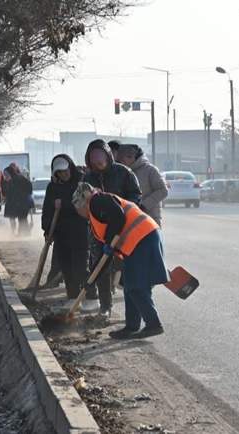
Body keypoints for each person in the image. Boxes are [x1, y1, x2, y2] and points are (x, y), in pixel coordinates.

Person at [72, 182, 169, 339]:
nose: (79, 213)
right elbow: (104, 258)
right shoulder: (97, 213)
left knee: (136, 287)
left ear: (82, 203)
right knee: (130, 286)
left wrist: (109, 242)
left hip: (142, 238)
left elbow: (118, 217)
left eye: (78, 209)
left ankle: (153, 324)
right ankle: (132, 326)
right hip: (142, 239)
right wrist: (91, 280)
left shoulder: (97, 201)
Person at [83, 139, 141, 317]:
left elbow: (136, 194)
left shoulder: (123, 172)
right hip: (99, 229)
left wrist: (123, 210)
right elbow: (82, 200)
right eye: (93, 158)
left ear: (107, 155)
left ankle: (135, 310)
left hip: (124, 227)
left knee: (128, 268)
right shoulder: (88, 178)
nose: (97, 161)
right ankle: (105, 307)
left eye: (100, 156)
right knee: (101, 267)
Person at [42, 155, 88, 304]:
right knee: (66, 267)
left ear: (70, 167)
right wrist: (47, 229)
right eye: (59, 172)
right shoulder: (53, 186)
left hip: (81, 230)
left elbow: (84, 204)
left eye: (65, 170)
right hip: (61, 232)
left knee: (80, 267)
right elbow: (47, 209)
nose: (64, 174)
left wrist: (64, 204)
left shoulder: (82, 181)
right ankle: (72, 296)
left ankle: (90, 296)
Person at [118, 144, 168, 225]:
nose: (122, 161)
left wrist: (144, 206)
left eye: (124, 158)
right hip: (129, 219)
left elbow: (163, 191)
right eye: (120, 158)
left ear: (133, 157)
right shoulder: (122, 172)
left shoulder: (150, 170)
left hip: (150, 219)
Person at [3, 163, 32, 235]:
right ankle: (24, 234)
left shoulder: (18, 179)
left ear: (10, 173)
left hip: (23, 203)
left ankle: (24, 234)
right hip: (20, 203)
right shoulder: (12, 180)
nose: (5, 176)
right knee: (21, 219)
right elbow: (9, 193)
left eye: (6, 174)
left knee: (22, 219)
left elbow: (29, 187)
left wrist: (25, 194)